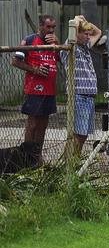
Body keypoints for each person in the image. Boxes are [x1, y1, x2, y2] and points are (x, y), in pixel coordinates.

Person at [10, 14, 59, 166]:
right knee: (32, 124)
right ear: (40, 26)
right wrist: (34, 70)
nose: (51, 30)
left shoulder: (55, 42)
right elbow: (15, 61)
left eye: (53, 27)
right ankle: (26, 158)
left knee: (43, 125)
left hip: (50, 89)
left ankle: (36, 156)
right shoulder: (30, 40)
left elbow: (63, 59)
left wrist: (57, 44)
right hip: (34, 88)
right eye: (48, 27)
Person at [60, 16, 102, 155]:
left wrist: (85, 20)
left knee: (83, 134)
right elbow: (74, 29)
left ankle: (74, 161)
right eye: (85, 34)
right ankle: (68, 163)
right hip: (79, 96)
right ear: (76, 33)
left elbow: (98, 32)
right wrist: (77, 21)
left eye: (88, 34)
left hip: (89, 97)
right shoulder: (71, 47)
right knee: (77, 134)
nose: (88, 37)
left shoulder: (86, 47)